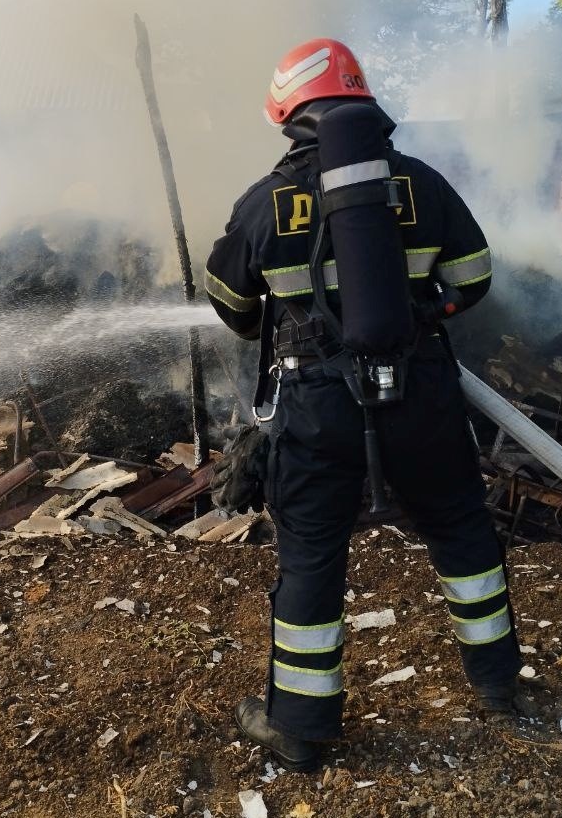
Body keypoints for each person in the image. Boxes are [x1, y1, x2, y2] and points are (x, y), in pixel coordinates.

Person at [204, 39, 521, 772]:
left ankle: (302, 728)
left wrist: (281, 321)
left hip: (319, 407)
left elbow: (229, 302)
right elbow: (472, 278)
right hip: (424, 396)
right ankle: (499, 685)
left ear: (290, 109)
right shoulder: (422, 184)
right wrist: (429, 308)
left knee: (312, 554)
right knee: (463, 536)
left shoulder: (265, 200)